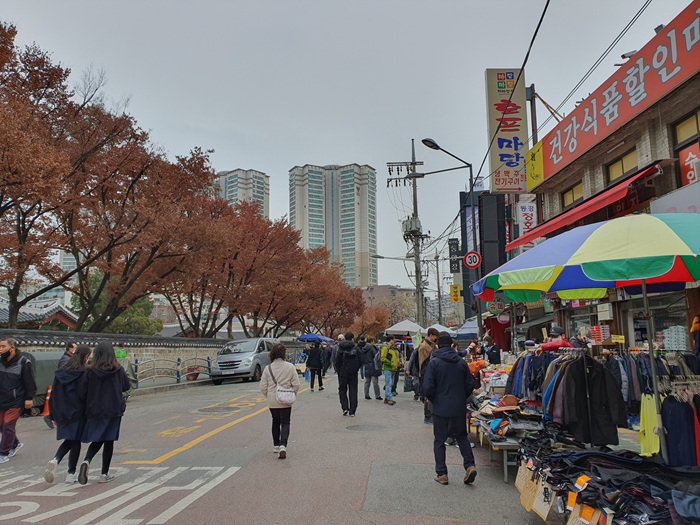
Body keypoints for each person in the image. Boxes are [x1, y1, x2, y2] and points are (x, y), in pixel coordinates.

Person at [422, 332, 477, 485]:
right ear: (452, 345)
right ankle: (470, 465)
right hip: (458, 407)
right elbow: (470, 384)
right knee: (462, 437)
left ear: (438, 346)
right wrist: (461, 397)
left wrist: (434, 400)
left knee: (440, 440)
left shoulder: (434, 362)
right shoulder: (461, 362)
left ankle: (442, 474)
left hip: (440, 408)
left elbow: (428, 387)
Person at [78, 342, 130, 484]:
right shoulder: (118, 370)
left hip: (95, 409)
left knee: (97, 438)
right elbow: (126, 386)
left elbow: (82, 390)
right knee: (109, 440)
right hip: (114, 409)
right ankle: (104, 473)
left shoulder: (89, 371)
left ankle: (87, 460)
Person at [44, 344, 91, 483]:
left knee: (69, 440)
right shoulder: (84, 373)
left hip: (62, 411)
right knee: (75, 441)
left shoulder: (61, 372)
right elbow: (85, 395)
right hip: (78, 412)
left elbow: (53, 394)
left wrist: (52, 414)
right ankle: (70, 473)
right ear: (86, 356)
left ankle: (56, 460)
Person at [260, 343, 300, 459]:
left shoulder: (268, 368)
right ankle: (283, 445)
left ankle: (276, 445)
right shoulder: (290, 367)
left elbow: (263, 387)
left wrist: (269, 395)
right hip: (286, 398)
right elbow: (296, 384)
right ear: (284, 354)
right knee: (285, 422)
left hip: (273, 399)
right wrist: (293, 393)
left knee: (275, 421)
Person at [0, 338, 36, 464]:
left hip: (16, 400)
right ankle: (15, 444)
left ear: (12, 348)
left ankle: (3, 453)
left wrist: (29, 398)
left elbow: (30, 382)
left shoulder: (24, 362)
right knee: (2, 426)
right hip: (2, 399)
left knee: (8, 425)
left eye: (3, 347)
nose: (0, 349)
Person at [334, 332, 361, 416]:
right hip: (353, 372)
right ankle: (352, 410)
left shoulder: (340, 347)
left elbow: (337, 360)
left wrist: (339, 370)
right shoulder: (356, 347)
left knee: (342, 390)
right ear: (352, 339)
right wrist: (356, 368)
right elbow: (361, 359)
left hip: (342, 372)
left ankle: (345, 408)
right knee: (353, 390)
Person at [418, 328, 439, 423]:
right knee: (428, 393)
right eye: (435, 336)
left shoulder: (432, 345)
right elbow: (423, 361)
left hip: (430, 370)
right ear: (431, 335)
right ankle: (427, 415)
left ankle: (430, 414)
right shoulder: (424, 346)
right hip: (426, 370)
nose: (436, 338)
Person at [380, 336, 399, 405]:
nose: (394, 341)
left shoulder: (390, 348)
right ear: (390, 340)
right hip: (388, 368)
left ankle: (387, 398)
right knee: (388, 383)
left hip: (392, 368)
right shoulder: (386, 347)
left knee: (390, 383)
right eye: (393, 340)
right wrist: (390, 363)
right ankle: (389, 398)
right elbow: (382, 358)